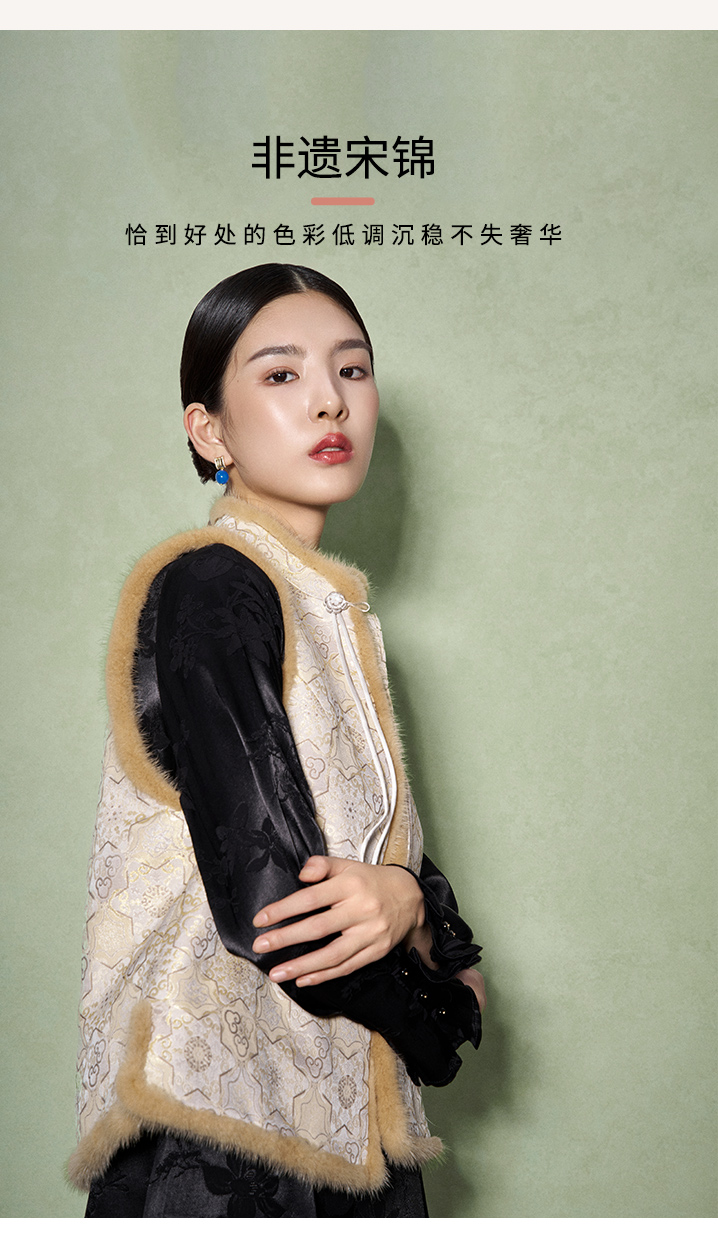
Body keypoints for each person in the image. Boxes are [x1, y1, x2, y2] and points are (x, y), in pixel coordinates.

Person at [68, 263, 485, 1218]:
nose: (330, 400)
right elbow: (276, 903)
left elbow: (387, 867)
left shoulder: (326, 607)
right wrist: (448, 1014)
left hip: (347, 1122)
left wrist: (409, 901)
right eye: (282, 374)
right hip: (219, 1136)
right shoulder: (214, 584)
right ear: (209, 431)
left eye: (353, 369)